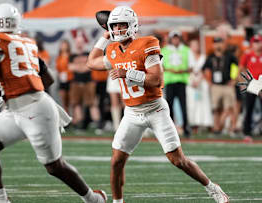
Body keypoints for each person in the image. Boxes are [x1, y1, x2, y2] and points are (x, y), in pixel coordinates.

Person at [0, 3, 106, 203]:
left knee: (54, 167)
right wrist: (19, 90)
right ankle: (1, 201)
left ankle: (93, 199)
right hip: (18, 109)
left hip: (33, 110)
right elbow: (49, 79)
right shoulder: (26, 43)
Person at [87, 6, 229, 203]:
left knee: (178, 160)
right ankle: (118, 202)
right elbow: (91, 62)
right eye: (114, 25)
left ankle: (212, 187)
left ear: (132, 26)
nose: (118, 29)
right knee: (116, 161)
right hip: (131, 113)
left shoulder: (148, 43)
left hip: (155, 109)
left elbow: (157, 80)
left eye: (122, 25)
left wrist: (127, 73)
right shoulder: (112, 50)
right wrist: (104, 37)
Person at [203, 37, 238, 135]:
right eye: (216, 43)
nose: (218, 45)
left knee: (229, 108)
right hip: (216, 86)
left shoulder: (229, 56)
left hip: (227, 85)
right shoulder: (211, 57)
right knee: (216, 108)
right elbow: (204, 69)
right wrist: (208, 81)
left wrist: (234, 80)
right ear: (213, 45)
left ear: (223, 44)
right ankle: (216, 129)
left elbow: (237, 67)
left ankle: (224, 127)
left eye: (220, 43)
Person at [161, 30, 191, 138]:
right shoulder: (164, 50)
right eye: (174, 38)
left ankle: (186, 127)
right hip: (169, 82)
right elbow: (161, 66)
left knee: (183, 106)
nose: (175, 40)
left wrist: (179, 71)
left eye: (177, 38)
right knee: (169, 106)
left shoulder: (186, 50)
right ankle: (170, 128)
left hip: (181, 81)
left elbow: (190, 67)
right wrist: (172, 70)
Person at [186, 39, 213, 133]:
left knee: (204, 103)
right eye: (193, 45)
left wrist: (200, 79)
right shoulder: (187, 57)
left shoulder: (203, 57)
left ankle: (205, 123)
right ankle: (193, 124)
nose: (195, 47)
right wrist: (193, 80)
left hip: (202, 83)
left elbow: (206, 71)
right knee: (192, 104)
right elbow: (187, 71)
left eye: (196, 45)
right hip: (191, 83)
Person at [239, 34, 262, 139]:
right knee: (249, 108)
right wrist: (242, 82)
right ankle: (247, 131)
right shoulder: (248, 55)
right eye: (255, 42)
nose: (257, 44)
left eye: (259, 42)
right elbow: (241, 68)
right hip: (251, 84)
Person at [55, 39, 74, 113]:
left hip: (70, 79)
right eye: (62, 45)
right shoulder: (59, 58)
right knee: (64, 101)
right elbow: (58, 68)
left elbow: (71, 67)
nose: (63, 47)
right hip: (62, 80)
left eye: (65, 45)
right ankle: (66, 117)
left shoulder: (70, 56)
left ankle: (73, 118)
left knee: (71, 101)